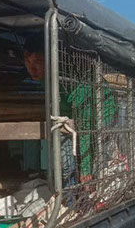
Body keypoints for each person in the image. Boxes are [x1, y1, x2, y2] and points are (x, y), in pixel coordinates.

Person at [23, 41, 116, 186]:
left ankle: (90, 188)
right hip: (74, 110)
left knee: (96, 159)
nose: (32, 69)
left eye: (38, 61)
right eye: (28, 62)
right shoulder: (45, 76)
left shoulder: (78, 82)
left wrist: (86, 170)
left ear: (51, 60)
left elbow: (87, 129)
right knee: (66, 162)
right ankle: (70, 192)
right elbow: (61, 105)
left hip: (102, 110)